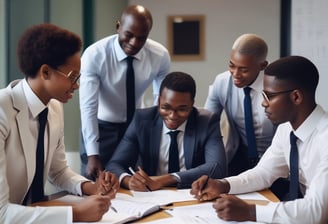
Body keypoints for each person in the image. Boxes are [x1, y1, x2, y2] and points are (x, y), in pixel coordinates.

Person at [0, 23, 119, 223]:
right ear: (45, 72)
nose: (78, 85)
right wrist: (76, 213)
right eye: (73, 77)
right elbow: (1, 213)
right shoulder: (3, 110)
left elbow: (58, 171)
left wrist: (91, 187)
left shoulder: (54, 107)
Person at [190, 56, 328, 223]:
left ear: (296, 97)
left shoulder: (324, 138)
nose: (263, 103)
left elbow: (316, 212)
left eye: (269, 96)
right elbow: (264, 172)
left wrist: (250, 211)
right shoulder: (287, 129)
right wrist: (223, 185)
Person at [79, 4, 170, 180]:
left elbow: (161, 101)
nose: (134, 43)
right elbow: (88, 107)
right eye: (128, 35)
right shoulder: (94, 55)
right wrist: (93, 155)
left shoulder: (159, 55)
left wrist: (154, 137)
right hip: (100, 127)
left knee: (137, 184)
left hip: (135, 126)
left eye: (141, 38)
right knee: (95, 186)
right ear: (118, 26)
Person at [106, 72, 226, 191]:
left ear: (192, 104)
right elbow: (114, 164)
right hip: (150, 195)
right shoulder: (142, 120)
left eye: (182, 109)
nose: (173, 115)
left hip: (189, 192)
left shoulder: (207, 122)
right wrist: (128, 181)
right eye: (166, 107)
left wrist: (163, 180)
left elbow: (217, 167)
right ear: (158, 101)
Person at [204, 33, 276, 175]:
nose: (235, 74)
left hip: (274, 160)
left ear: (262, 66)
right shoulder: (222, 82)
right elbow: (206, 123)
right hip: (238, 157)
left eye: (244, 69)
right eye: (232, 65)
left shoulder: (275, 86)